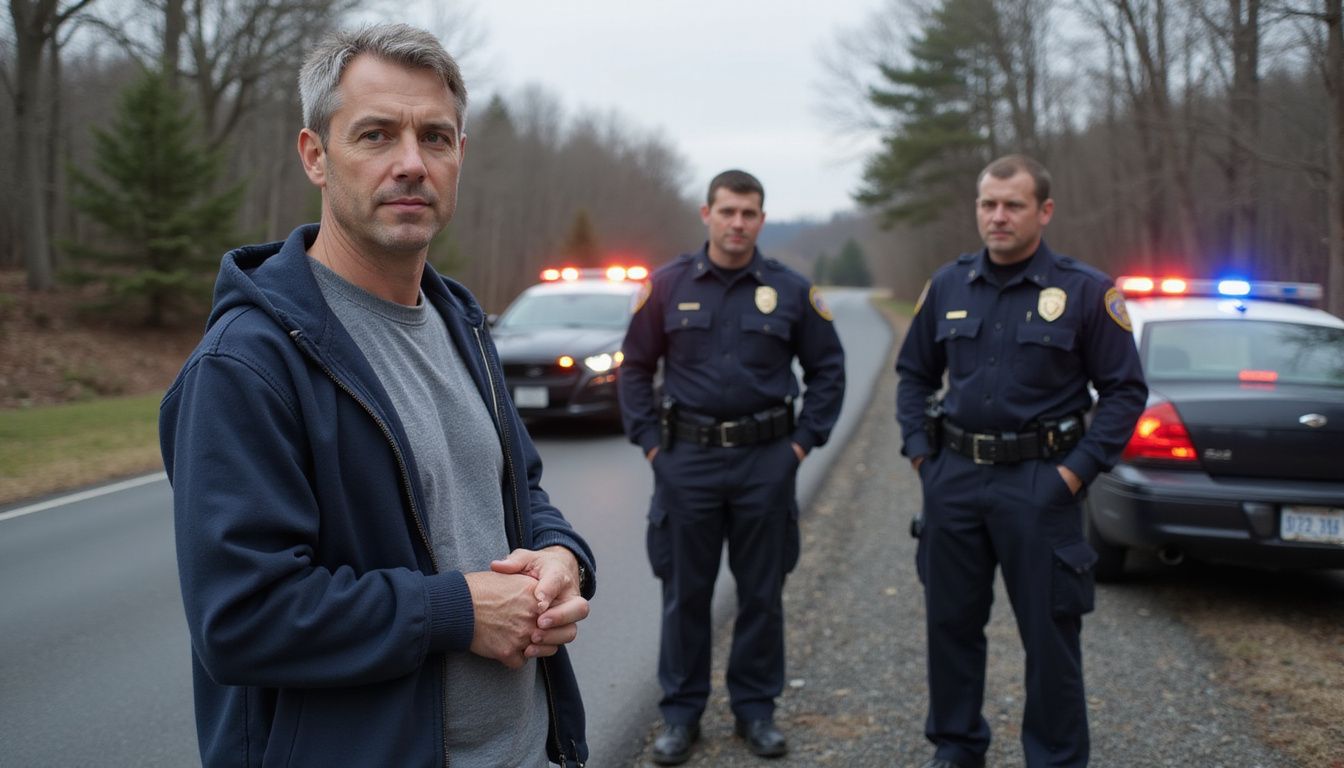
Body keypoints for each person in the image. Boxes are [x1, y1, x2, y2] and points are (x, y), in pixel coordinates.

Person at [159, 24, 595, 768]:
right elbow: (241, 618)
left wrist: (563, 555)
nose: (411, 163)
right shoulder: (247, 364)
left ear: (460, 156)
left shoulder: (461, 324)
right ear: (315, 156)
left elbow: (518, 491)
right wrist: (456, 611)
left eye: (436, 137)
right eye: (376, 134)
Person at [895, 154, 1146, 768]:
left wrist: (1075, 473)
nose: (998, 216)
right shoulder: (949, 285)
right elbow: (913, 375)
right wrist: (922, 456)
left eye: (1013, 205)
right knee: (950, 626)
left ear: (1044, 211)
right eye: (988, 204)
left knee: (1050, 635)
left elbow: (1124, 392)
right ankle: (956, 748)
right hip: (955, 478)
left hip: (1042, 484)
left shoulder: (1085, 290)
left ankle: (1055, 759)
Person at [619, 170, 846, 764]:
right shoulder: (667, 286)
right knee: (685, 594)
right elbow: (635, 368)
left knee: (762, 595)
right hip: (686, 462)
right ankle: (681, 715)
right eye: (728, 211)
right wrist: (652, 446)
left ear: (762, 220)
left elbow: (828, 371)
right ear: (707, 214)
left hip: (765, 462)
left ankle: (755, 711)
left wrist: (800, 447)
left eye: (748, 213)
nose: (737, 223)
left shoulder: (790, 291)